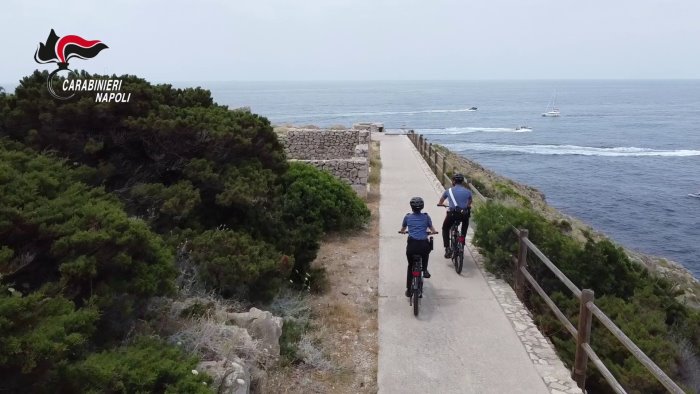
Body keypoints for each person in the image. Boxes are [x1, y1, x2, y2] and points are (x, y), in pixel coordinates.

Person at [399, 197, 438, 297]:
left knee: (410, 266)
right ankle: (424, 270)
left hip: (412, 246)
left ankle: (408, 290)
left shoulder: (407, 217)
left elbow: (403, 229)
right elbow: (432, 229)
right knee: (426, 253)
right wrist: (433, 232)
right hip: (423, 245)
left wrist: (403, 231)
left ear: (411, 207)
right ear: (422, 207)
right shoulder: (426, 217)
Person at [437, 173, 473, 258]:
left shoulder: (448, 191)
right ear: (462, 181)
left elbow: (440, 202)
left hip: (453, 214)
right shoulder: (468, 191)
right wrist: (466, 206)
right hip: (464, 214)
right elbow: (470, 201)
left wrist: (441, 204)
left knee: (445, 228)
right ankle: (462, 240)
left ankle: (447, 249)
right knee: (464, 225)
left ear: (453, 181)